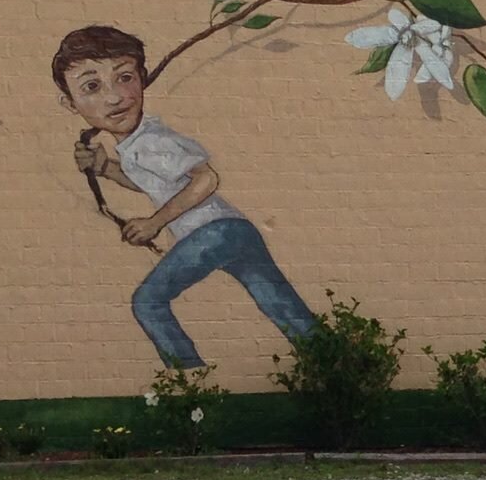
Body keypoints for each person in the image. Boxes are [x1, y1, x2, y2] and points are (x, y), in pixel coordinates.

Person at [53, 25, 315, 367]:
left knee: (148, 302)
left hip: (214, 233)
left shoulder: (153, 140)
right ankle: (334, 359)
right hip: (235, 231)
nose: (115, 96)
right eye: (92, 86)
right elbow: (159, 183)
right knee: (279, 303)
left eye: (125, 78)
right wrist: (107, 168)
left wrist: (154, 223)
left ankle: (190, 379)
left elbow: (206, 179)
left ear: (143, 79)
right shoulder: (136, 144)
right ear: (70, 103)